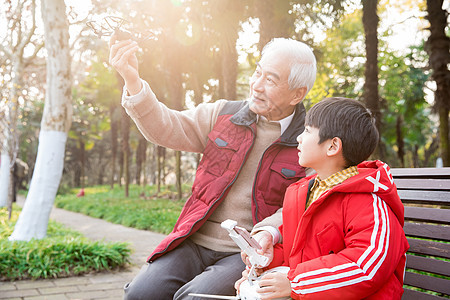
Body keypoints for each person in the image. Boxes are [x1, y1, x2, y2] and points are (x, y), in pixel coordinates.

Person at [109, 36, 317, 299]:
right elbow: (167, 127)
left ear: (298, 93)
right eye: (257, 72)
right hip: (193, 240)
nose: (256, 85)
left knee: (195, 298)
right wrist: (133, 81)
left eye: (271, 80)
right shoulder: (223, 114)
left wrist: (267, 232)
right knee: (141, 294)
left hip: (246, 253)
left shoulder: (310, 139)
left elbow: (308, 200)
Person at [235, 98, 409, 299]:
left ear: (333, 146)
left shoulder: (370, 202)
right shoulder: (303, 193)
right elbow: (298, 253)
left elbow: (366, 267)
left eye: (307, 131)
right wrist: (267, 266)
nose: (299, 138)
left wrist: (294, 283)